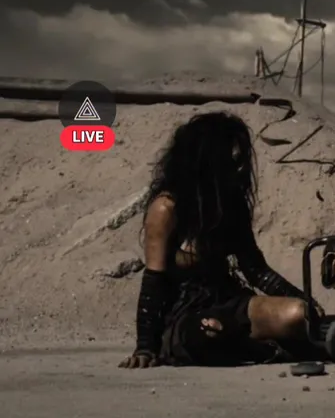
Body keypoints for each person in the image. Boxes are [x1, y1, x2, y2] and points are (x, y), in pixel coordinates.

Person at [118, 111, 323, 369]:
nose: (239, 168)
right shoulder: (166, 209)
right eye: (230, 159)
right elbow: (153, 281)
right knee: (208, 333)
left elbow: (256, 270)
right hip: (185, 314)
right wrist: (145, 347)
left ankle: (257, 346)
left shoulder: (231, 204)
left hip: (230, 302)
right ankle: (266, 348)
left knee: (298, 314)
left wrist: (307, 303)